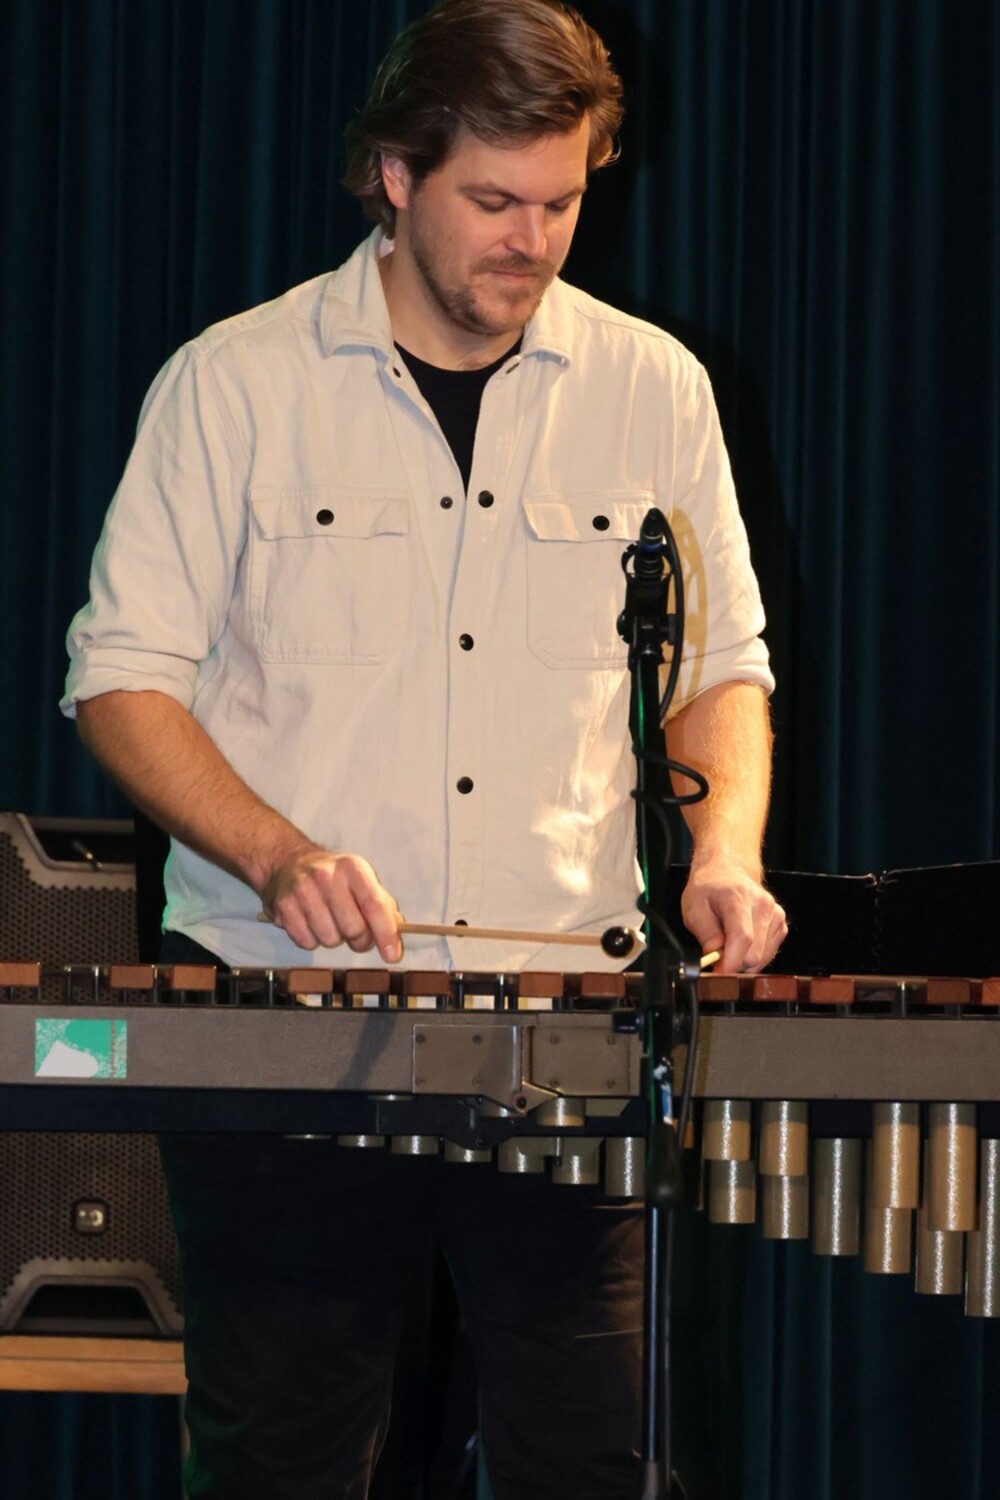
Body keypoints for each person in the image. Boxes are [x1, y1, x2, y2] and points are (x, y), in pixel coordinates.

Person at [63, 2, 786, 1495]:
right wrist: (276, 853)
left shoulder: (655, 387)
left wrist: (724, 852)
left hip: (572, 1023)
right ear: (396, 177)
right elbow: (121, 680)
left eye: (563, 203)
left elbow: (721, 674)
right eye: (494, 201)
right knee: (286, 1461)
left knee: (597, 1460)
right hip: (284, 1013)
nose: (534, 241)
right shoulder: (235, 384)